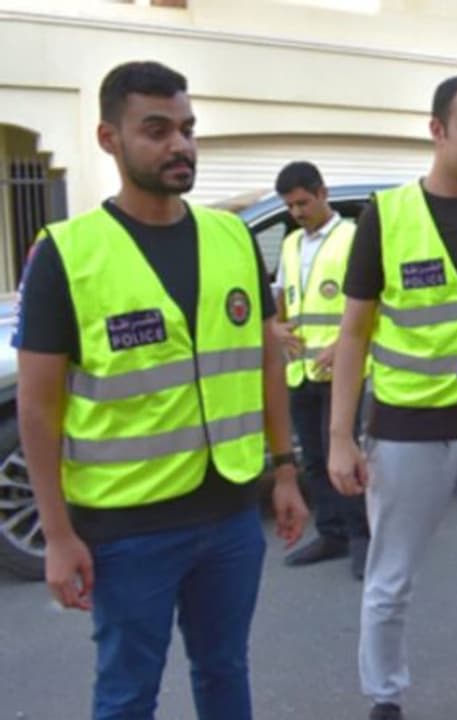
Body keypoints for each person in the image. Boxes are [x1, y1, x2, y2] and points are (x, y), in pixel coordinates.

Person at [14, 60, 307, 720]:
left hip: (231, 514)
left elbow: (264, 358)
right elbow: (37, 404)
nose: (179, 145)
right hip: (125, 529)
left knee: (225, 671)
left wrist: (285, 470)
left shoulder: (231, 236)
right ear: (108, 139)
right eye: (156, 130)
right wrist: (57, 535)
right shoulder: (67, 252)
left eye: (187, 128)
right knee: (126, 694)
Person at [326, 75, 457, 720]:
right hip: (406, 431)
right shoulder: (386, 218)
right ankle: (384, 699)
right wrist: (338, 438)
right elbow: (354, 333)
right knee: (390, 582)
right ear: (437, 130)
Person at [272, 160, 370, 579]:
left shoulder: (352, 237)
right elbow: (280, 295)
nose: (297, 212)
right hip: (300, 369)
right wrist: (275, 327)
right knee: (312, 459)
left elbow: (369, 299)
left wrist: (340, 346)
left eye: (303, 202)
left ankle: (362, 537)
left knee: (343, 457)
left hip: (341, 368)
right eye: (290, 206)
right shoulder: (291, 244)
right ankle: (332, 533)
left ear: (322, 193)